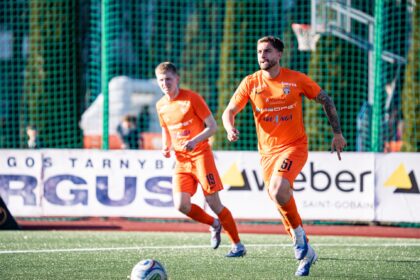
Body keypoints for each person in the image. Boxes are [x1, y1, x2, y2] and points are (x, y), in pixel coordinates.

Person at [222, 36, 347, 276]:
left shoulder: (296, 79)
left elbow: (325, 99)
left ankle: (299, 239)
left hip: (294, 146)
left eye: (267, 51)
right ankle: (306, 250)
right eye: (259, 51)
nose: (262, 56)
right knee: (278, 197)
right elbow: (229, 110)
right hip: (267, 154)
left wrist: (337, 133)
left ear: (279, 55)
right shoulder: (250, 83)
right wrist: (229, 127)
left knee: (279, 188)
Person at [155, 61, 246, 257]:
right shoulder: (161, 105)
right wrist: (165, 146)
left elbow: (212, 127)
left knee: (213, 203)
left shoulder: (192, 98)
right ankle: (214, 224)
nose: (165, 84)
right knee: (181, 205)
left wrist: (194, 141)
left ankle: (237, 245)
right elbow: (166, 128)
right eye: (161, 80)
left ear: (177, 78)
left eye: (168, 79)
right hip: (181, 161)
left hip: (201, 156)